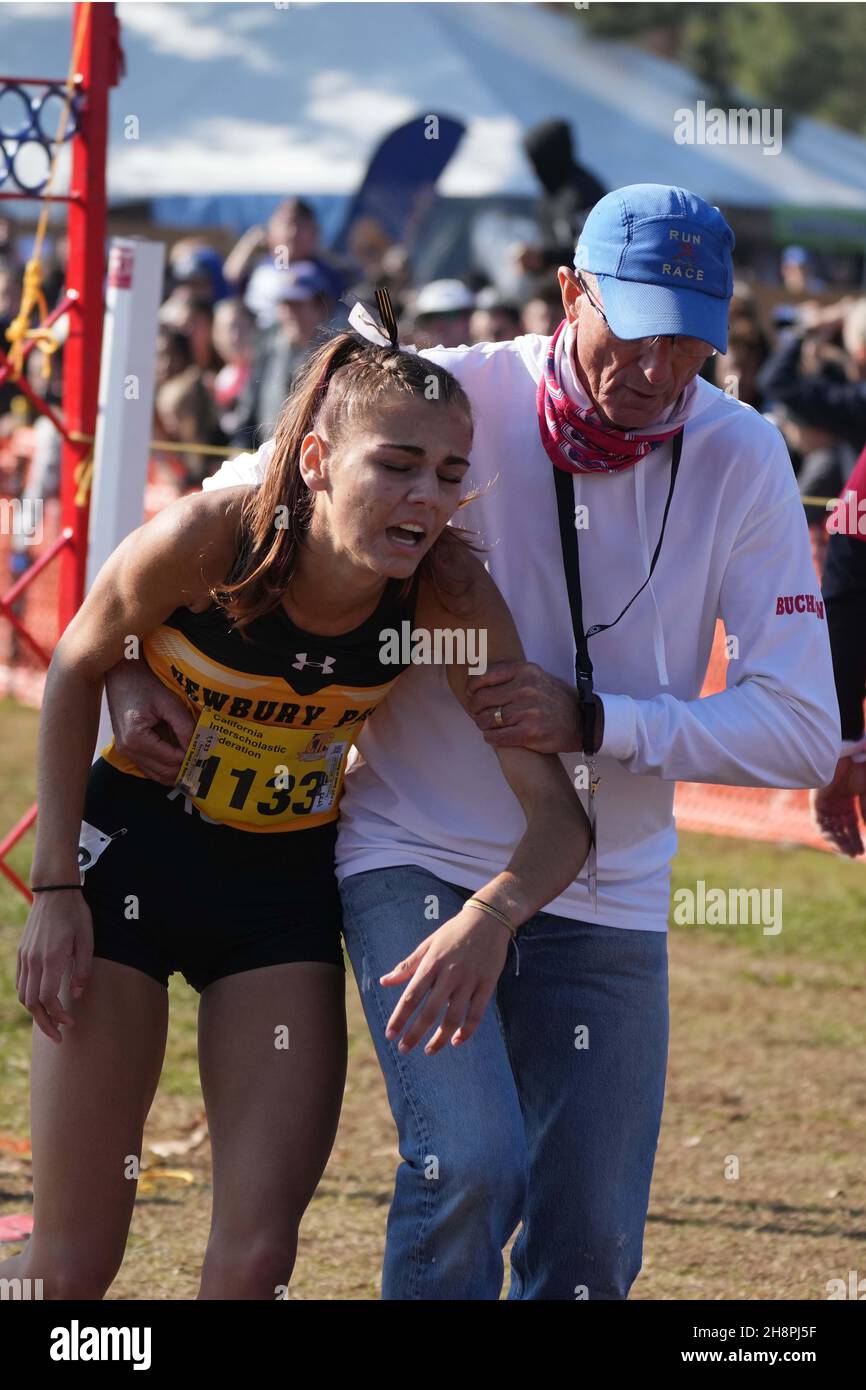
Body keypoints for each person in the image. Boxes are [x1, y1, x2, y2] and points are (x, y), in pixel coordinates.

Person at [107, 185, 839, 1301]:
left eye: (691, 338)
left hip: (607, 880)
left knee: (590, 1250)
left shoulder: (739, 452)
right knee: (467, 1167)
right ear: (568, 293)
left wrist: (600, 721)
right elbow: (227, 511)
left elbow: (798, 728)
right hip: (415, 850)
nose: (657, 368)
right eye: (633, 329)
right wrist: (116, 667)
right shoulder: (459, 391)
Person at [3, 330, 589, 1301]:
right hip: (128, 865)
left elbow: (558, 819)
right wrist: (56, 884)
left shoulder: (443, 588)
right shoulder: (213, 536)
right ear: (316, 461)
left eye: (448, 473)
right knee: (66, 1272)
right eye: (395, 466)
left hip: (276, 896)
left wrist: (490, 915)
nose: (425, 499)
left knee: (255, 1264)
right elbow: (74, 659)